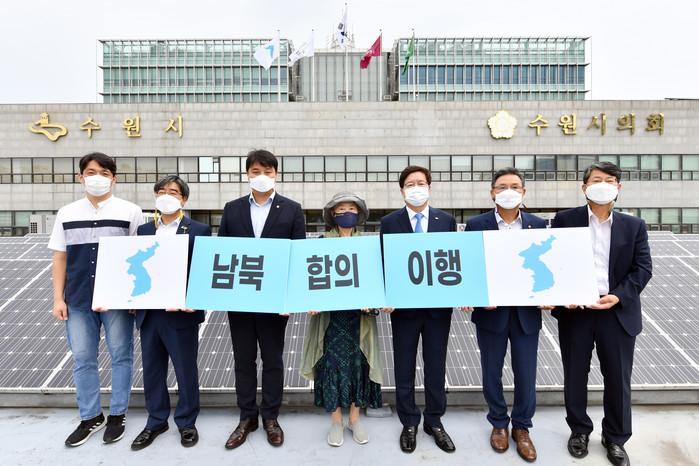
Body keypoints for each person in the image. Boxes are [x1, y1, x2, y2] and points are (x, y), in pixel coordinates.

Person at [553, 162, 652, 466]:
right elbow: (555, 261)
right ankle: (579, 430)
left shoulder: (634, 226)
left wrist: (618, 296)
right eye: (597, 180)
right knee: (574, 375)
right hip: (576, 312)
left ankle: (616, 437)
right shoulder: (564, 220)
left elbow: (643, 269)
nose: (603, 185)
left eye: (610, 180)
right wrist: (564, 295)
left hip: (616, 312)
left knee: (618, 378)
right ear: (584, 187)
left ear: (618, 188)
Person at [48, 152, 143, 447]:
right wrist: (58, 298)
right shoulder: (66, 213)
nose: (97, 178)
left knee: (121, 356)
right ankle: (90, 417)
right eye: (90, 172)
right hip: (77, 299)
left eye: (104, 172)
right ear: (80, 177)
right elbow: (60, 257)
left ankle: (117, 414)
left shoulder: (130, 211)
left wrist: (134, 299)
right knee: (83, 358)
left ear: (114, 178)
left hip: (116, 299)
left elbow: (139, 255)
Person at [218, 149, 306, 450]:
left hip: (274, 301)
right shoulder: (232, 209)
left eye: (268, 171)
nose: (262, 176)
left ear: (276, 174)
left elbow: (298, 256)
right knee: (243, 360)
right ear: (247, 174)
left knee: (272, 360)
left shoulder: (292, 210)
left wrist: (290, 300)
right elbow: (222, 253)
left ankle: (270, 417)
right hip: (241, 299)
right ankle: (247, 417)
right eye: (256, 171)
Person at [461, 167, 549, 463]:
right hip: (491, 313)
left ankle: (522, 427)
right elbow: (469, 266)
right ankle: (498, 422)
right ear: (492, 193)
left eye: (514, 186)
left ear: (523, 192)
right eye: (502, 187)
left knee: (526, 373)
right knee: (491, 372)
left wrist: (550, 294)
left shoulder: (538, 225)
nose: (508, 191)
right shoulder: (476, 225)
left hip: (526, 314)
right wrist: (475, 296)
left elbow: (548, 263)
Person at [130, 176, 211, 451]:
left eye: (173, 192)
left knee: (185, 369)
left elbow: (203, 269)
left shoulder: (198, 229)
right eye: (162, 191)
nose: (167, 195)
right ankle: (155, 421)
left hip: (181, 313)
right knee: (152, 370)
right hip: (150, 313)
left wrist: (194, 299)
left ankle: (187, 422)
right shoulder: (143, 230)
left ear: (183, 199)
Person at [380, 166, 457, 454]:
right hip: (404, 310)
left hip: (438, 310)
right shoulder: (390, 222)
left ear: (429, 187)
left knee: (436, 366)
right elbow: (384, 262)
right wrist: (386, 295)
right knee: (404, 366)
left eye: (421, 183)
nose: (416, 188)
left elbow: (454, 259)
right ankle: (409, 421)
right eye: (410, 184)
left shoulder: (446, 220)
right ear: (402, 190)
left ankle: (434, 421)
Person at [301, 192, 383, 447]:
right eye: (341, 208)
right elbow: (310, 279)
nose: (347, 212)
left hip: (359, 318)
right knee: (331, 365)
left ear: (359, 214)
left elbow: (377, 279)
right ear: (332, 214)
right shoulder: (321, 243)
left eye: (352, 208)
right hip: (330, 319)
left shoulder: (368, 245)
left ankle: (355, 419)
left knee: (359, 365)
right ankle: (336, 421)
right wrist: (310, 301)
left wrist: (373, 300)